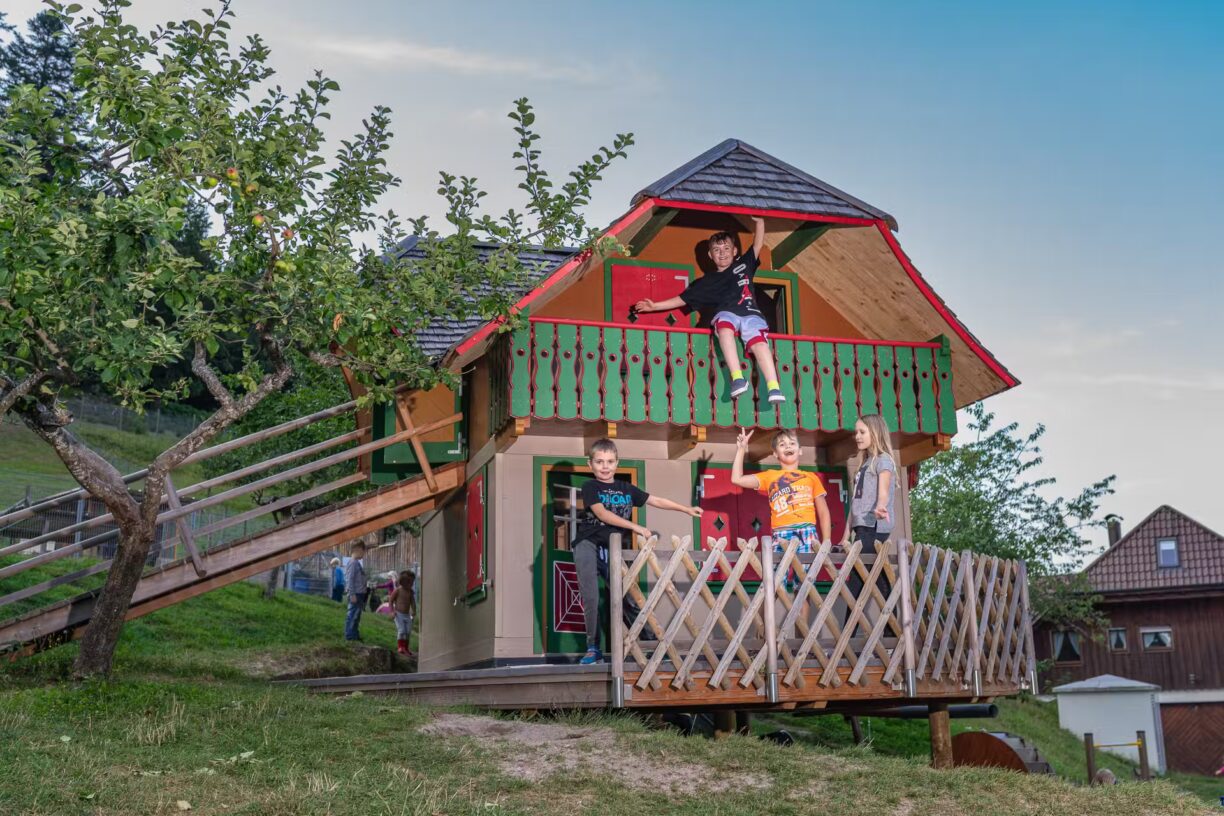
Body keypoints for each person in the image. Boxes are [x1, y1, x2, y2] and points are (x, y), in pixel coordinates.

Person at [573, 437, 703, 665]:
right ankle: (593, 648)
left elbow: (656, 500)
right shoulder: (590, 486)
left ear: (617, 463)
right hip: (588, 544)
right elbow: (603, 514)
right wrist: (635, 527)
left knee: (626, 597)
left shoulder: (626, 489)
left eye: (610, 461)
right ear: (590, 465)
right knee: (591, 597)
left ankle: (650, 645)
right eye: (600, 461)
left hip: (612, 549)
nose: (605, 466)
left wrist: (686, 509)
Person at [633, 216, 785, 404]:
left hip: (750, 314)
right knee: (723, 328)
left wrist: (760, 223)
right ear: (710, 255)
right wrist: (655, 306)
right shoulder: (707, 282)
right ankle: (737, 377)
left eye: (726, 249)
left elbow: (757, 245)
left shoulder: (744, 265)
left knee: (760, 344)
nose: (722, 253)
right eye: (716, 250)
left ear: (735, 251)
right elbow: (682, 299)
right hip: (728, 312)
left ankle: (774, 387)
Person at [730, 427, 832, 582]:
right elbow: (737, 479)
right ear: (775, 453)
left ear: (800, 450)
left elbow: (823, 511)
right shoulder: (770, 476)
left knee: (803, 587)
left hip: (807, 532)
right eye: (782, 444)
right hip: (781, 534)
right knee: (773, 585)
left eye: (792, 443)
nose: (788, 446)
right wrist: (741, 449)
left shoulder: (811, 477)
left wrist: (827, 541)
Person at [840, 414, 897, 549]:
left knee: (858, 568)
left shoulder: (883, 460)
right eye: (856, 433)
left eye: (862, 432)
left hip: (873, 525)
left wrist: (881, 507)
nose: (857, 437)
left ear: (875, 433)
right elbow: (855, 502)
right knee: (870, 569)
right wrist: (845, 537)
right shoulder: (865, 464)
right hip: (862, 527)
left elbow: (884, 492)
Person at [343, 542, 368, 642]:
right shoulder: (353, 563)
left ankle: (354, 634)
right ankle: (349, 636)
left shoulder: (357, 563)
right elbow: (350, 579)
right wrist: (352, 594)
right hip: (355, 594)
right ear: (357, 549)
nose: (364, 554)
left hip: (360, 594)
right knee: (352, 615)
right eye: (363, 551)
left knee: (356, 616)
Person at [390, 569, 417, 656]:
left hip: (407, 615)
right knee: (402, 630)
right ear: (403, 582)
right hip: (398, 614)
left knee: (408, 631)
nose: (412, 584)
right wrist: (392, 611)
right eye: (410, 583)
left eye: (413, 582)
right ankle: (400, 647)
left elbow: (412, 602)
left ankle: (406, 648)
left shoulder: (410, 592)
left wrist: (414, 610)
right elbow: (391, 601)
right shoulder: (398, 590)